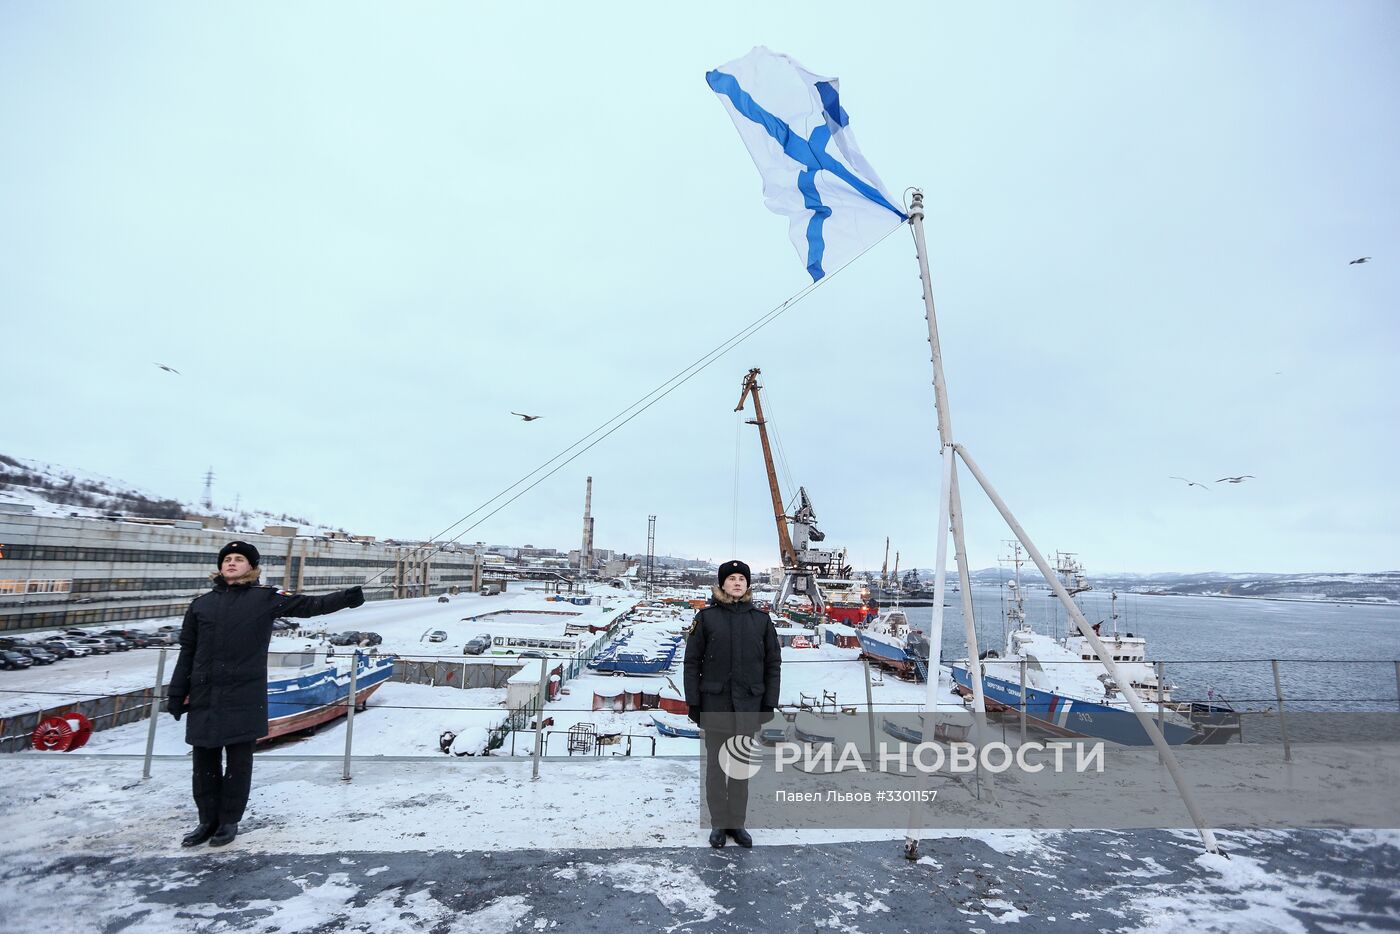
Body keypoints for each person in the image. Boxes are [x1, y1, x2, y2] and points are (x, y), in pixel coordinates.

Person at [166, 541, 365, 847]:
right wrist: (177, 693)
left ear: (252, 567)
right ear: (220, 567)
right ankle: (206, 821)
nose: (231, 563)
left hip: (244, 692)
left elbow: (310, 606)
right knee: (203, 762)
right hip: (205, 693)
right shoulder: (200, 605)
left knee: (238, 761)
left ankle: (229, 821)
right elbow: (187, 651)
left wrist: (346, 598)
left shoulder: (265, 599)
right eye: (227, 559)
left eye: (239, 559)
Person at [683, 559, 781, 848]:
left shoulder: (761, 620)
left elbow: (773, 665)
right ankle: (718, 825)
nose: (737, 582)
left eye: (742, 578)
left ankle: (736, 824)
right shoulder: (706, 618)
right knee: (716, 768)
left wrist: (768, 704)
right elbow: (692, 663)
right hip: (715, 705)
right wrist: (694, 703)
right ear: (722, 584)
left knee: (739, 768)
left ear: (748, 585)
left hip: (748, 706)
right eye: (731, 578)